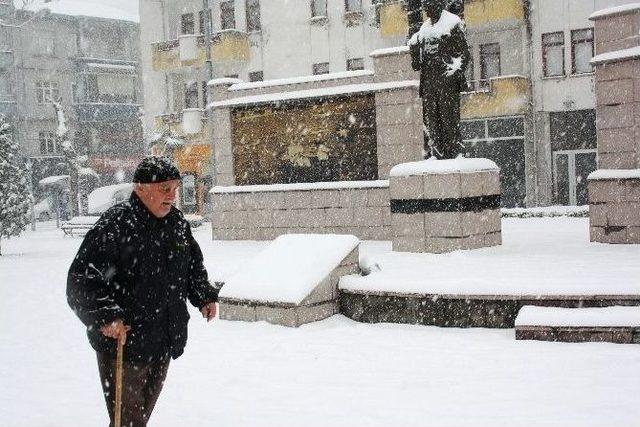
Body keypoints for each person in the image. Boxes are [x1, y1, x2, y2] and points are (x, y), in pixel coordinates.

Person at [67, 156, 221, 427]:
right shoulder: (115, 225)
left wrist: (203, 295)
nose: (173, 195)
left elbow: (192, 265)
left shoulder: (176, 223)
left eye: (175, 187)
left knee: (138, 418)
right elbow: (82, 280)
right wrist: (106, 317)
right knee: (128, 421)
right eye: (165, 188)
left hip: (163, 339)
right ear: (140, 188)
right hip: (124, 344)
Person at [408, 0, 470, 159]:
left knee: (449, 122)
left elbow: (464, 54)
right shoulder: (424, 28)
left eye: (428, 5)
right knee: (432, 125)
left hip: (446, 84)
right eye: (424, 6)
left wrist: (454, 71)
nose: (425, 9)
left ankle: (456, 154)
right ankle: (436, 155)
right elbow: (417, 66)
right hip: (429, 84)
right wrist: (414, 51)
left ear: (438, 4)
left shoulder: (452, 23)